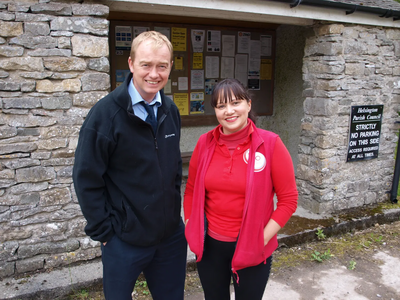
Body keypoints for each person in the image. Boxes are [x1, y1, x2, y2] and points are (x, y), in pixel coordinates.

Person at [73, 31, 187, 300]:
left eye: (162, 65)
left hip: (169, 238)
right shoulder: (105, 115)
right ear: (132, 64)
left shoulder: (170, 111)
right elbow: (86, 178)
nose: (154, 73)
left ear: (170, 66)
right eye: (146, 64)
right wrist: (104, 232)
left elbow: (172, 170)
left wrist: (174, 217)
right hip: (124, 240)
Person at [184, 78, 298, 300]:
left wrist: (261, 240)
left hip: (252, 248)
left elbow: (289, 200)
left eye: (235, 102)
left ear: (248, 104)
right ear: (215, 111)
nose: (229, 111)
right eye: (221, 106)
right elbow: (190, 191)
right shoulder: (204, 143)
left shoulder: (271, 144)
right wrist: (191, 226)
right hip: (210, 247)